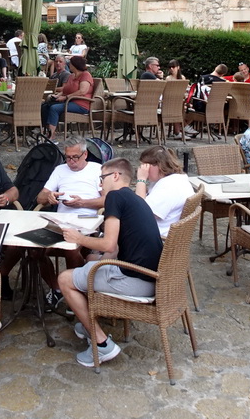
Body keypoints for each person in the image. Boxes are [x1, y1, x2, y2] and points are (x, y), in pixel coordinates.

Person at [58, 157, 163, 367]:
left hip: (136, 280)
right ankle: (87, 322)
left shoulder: (114, 196)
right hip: (153, 276)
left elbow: (107, 244)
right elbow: (114, 248)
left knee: (64, 279)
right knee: (89, 260)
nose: (99, 184)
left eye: (102, 178)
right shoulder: (135, 198)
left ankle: (102, 343)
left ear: (115, 176)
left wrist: (78, 238)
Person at [34, 138, 103, 304]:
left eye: (75, 157)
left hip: (88, 220)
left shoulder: (97, 169)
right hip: (61, 220)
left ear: (85, 154)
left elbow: (108, 200)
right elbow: (39, 197)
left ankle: (76, 290)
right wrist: (48, 196)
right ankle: (57, 288)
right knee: (34, 249)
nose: (71, 162)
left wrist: (83, 203)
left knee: (71, 248)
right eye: (68, 157)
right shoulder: (60, 169)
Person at [134, 146, 195, 237]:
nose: (142, 170)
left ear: (158, 166)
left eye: (145, 166)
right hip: (157, 232)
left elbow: (141, 214)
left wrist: (141, 180)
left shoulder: (169, 187)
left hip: (154, 238)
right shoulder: (176, 179)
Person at [44, 55, 94, 137]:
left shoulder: (86, 75)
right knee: (45, 106)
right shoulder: (71, 76)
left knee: (54, 108)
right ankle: (47, 131)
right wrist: (57, 96)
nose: (69, 65)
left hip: (81, 104)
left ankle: (51, 136)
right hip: (69, 102)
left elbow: (82, 91)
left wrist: (66, 97)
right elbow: (65, 90)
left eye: (70, 64)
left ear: (75, 65)